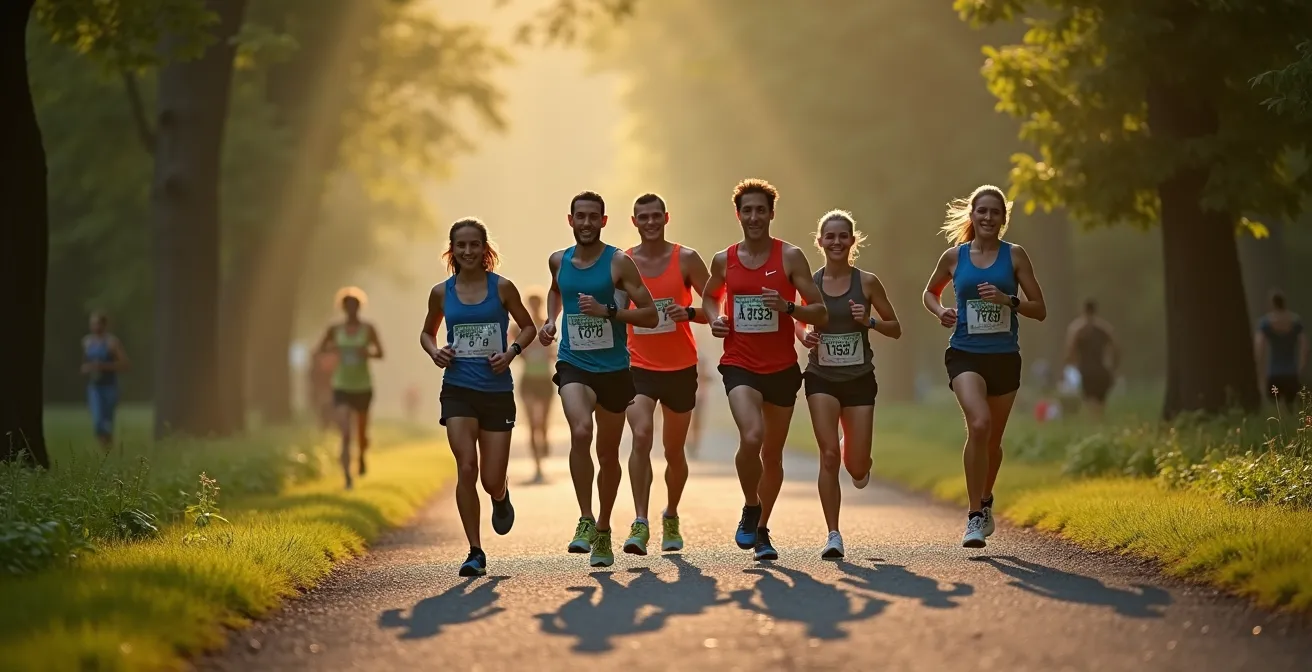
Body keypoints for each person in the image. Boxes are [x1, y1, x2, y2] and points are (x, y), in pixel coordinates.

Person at [702, 178, 828, 561]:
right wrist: (716, 318)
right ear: (738, 215)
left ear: (772, 214)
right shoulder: (724, 260)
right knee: (752, 435)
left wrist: (789, 308)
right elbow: (710, 297)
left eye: (761, 210)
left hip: (781, 368)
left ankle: (761, 529)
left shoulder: (790, 257)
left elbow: (819, 311)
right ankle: (750, 505)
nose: (754, 217)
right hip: (739, 362)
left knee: (772, 456)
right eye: (747, 210)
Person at [922, 185, 1047, 548]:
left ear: (1003, 219)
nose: (988, 217)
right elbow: (929, 292)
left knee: (992, 441)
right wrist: (940, 311)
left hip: (1004, 357)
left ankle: (986, 498)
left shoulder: (1015, 256)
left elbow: (1040, 308)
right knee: (979, 423)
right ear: (972, 215)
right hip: (965, 353)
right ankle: (974, 515)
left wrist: (1009, 300)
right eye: (982, 211)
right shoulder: (954, 256)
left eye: (995, 212)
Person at [539, 190, 659, 568]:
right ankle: (586, 518)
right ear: (570, 220)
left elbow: (651, 314)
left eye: (594, 217)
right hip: (573, 363)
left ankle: (604, 529)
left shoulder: (619, 263)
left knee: (608, 455)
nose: (587, 223)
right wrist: (550, 320)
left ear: (603, 221)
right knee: (580, 431)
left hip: (613, 370)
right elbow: (556, 290)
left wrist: (609, 312)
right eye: (581, 216)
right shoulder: (558, 260)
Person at [421, 217, 537, 577]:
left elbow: (529, 326)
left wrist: (511, 352)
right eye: (461, 245)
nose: (468, 251)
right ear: (452, 250)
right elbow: (427, 333)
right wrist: (435, 352)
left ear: (485, 249)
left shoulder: (502, 288)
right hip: (458, 389)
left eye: (474, 244)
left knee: (490, 479)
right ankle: (475, 550)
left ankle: (500, 496)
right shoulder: (441, 293)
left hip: (496, 392)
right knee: (466, 466)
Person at [795, 210, 901, 559]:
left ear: (853, 241)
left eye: (843, 236)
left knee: (856, 466)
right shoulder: (810, 283)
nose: (837, 242)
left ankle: (852, 451)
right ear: (820, 241)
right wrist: (804, 336)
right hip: (821, 377)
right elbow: (799, 320)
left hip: (859, 379)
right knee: (828, 457)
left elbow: (895, 327)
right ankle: (833, 534)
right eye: (830, 236)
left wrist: (869, 321)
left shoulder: (867, 282)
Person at [621, 192, 711, 556]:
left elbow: (715, 308)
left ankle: (671, 514)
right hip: (637, 366)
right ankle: (640, 521)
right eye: (643, 217)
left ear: (666, 217)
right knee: (641, 435)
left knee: (674, 451)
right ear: (634, 222)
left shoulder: (686, 259)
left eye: (656, 215)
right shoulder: (623, 261)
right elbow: (614, 310)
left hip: (680, 367)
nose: (650, 222)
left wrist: (688, 313)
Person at [317, 287, 385, 489]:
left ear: (359, 307)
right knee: (346, 432)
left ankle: (362, 455)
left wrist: (367, 353)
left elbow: (380, 353)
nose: (351, 309)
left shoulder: (368, 329)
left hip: (363, 386)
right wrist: (333, 349)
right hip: (342, 385)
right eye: (348, 306)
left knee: (362, 433)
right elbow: (320, 348)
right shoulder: (334, 330)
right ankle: (347, 476)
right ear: (343, 308)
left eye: (355, 306)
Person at [513, 290, 556, 483]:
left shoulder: (548, 325)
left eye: (537, 303)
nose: (534, 307)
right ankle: (537, 468)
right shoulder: (521, 328)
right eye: (532, 304)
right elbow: (515, 350)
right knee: (532, 424)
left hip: (545, 379)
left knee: (543, 424)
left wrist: (548, 352)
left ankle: (544, 439)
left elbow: (554, 352)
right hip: (528, 380)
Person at [1064, 299, 1119, 420]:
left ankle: (1095, 424)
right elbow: (1115, 347)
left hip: (1086, 370)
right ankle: (1099, 423)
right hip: (1101, 369)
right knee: (1100, 403)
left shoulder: (1077, 329)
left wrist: (1072, 365)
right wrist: (1113, 366)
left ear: (1083, 310)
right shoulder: (1103, 328)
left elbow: (1070, 350)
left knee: (1090, 404)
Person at [1254, 289, 1308, 413]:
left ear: (1272, 304)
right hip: (1291, 373)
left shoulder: (1265, 323)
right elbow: (1305, 346)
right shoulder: (1295, 322)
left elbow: (1259, 348)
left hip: (1274, 373)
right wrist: (1301, 367)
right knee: (1292, 407)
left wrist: (1260, 372)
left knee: (1277, 409)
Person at [82, 311, 129, 448]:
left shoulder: (112, 343)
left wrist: (103, 366)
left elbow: (125, 364)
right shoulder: (87, 342)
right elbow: (86, 363)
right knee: (98, 421)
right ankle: (103, 447)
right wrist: (86, 368)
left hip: (109, 387)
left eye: (97, 324)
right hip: (94, 387)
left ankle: (108, 449)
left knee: (107, 422)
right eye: (92, 324)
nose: (94, 327)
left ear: (104, 325)